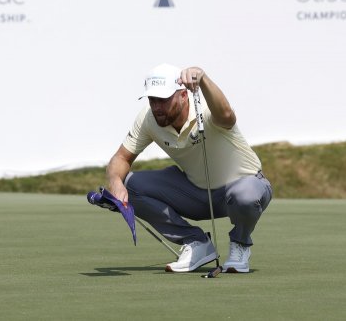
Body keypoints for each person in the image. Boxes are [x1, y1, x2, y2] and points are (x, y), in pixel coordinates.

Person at [106, 63, 272, 273]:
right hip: (198, 195)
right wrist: (115, 183)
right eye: (152, 100)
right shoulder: (149, 118)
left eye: (163, 100)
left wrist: (203, 78)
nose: (156, 107)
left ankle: (240, 244)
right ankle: (197, 244)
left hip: (246, 186)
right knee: (130, 185)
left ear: (183, 95)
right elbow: (121, 157)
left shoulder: (204, 107)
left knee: (245, 196)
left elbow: (227, 116)